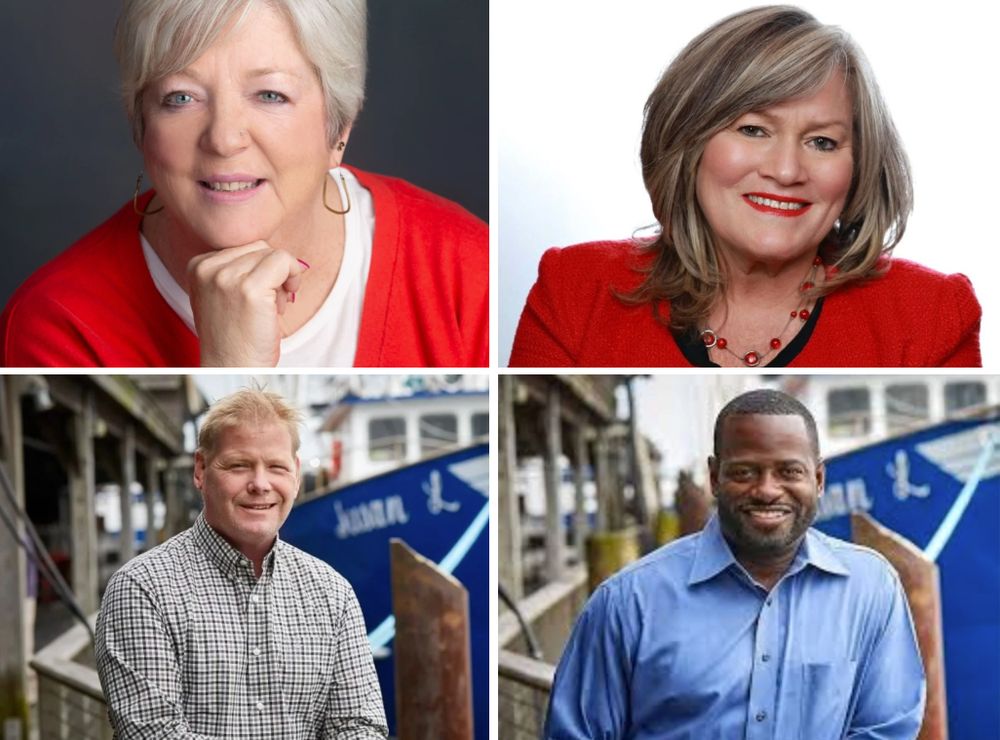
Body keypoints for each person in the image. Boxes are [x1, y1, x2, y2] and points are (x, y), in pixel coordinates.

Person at [1, 0, 487, 368]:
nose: (224, 138)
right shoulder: (57, 325)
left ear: (339, 126)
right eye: (181, 97)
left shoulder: (465, 272)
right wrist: (231, 367)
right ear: (141, 125)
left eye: (270, 94)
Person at [509, 6, 980, 368]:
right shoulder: (574, 290)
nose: (787, 169)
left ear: (859, 165)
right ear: (687, 139)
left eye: (822, 141)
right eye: (754, 130)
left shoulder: (932, 315)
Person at [544, 389, 926, 739]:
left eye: (789, 471)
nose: (766, 490)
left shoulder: (871, 588)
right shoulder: (626, 603)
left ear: (819, 478)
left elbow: (886, 729)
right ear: (714, 477)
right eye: (744, 472)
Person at [95, 388, 388, 738]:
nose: (260, 484)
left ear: (295, 474)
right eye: (239, 465)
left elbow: (359, 726)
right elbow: (154, 734)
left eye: (276, 467)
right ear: (201, 470)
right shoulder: (142, 588)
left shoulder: (333, 593)